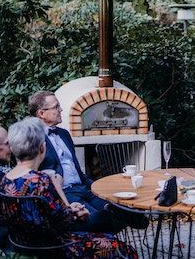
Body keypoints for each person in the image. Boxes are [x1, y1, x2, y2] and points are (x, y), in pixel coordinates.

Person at [0, 117, 137, 259]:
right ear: (42, 148)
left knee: (104, 230)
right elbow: (63, 222)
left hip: (26, 248)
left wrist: (69, 209)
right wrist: (78, 214)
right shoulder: (40, 181)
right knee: (123, 250)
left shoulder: (6, 179)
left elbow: (44, 214)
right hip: (55, 251)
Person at [29, 90, 128, 233]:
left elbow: (76, 168)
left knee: (117, 206)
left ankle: (126, 218)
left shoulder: (64, 134)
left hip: (83, 187)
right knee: (99, 218)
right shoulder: (33, 138)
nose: (61, 109)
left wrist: (94, 186)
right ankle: (108, 242)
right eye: (56, 107)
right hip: (65, 193)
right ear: (41, 113)